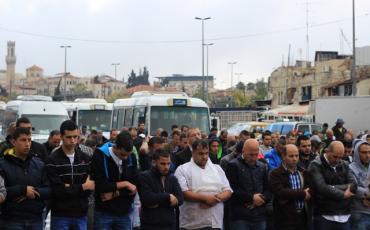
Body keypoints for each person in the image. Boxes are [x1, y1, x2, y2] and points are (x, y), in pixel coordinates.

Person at [46, 120, 94, 230]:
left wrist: (69, 187)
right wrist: (82, 186)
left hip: (81, 213)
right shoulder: (52, 160)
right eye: (68, 137)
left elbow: (90, 186)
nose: (72, 140)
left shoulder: (85, 158)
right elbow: (58, 190)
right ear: (62, 137)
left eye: (75, 137)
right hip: (60, 214)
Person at [0, 127, 51, 229]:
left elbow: (49, 190)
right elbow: (2, 192)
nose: (27, 144)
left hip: (35, 219)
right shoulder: (3, 165)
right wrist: (22, 190)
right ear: (14, 142)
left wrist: (33, 192)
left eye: (29, 140)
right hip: (12, 220)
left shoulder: (39, 164)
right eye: (23, 140)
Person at [175, 139, 232, 230]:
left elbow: (228, 191)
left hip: (215, 222)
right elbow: (183, 193)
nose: (204, 157)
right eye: (201, 153)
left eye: (206, 153)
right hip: (192, 224)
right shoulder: (182, 169)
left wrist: (214, 199)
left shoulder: (217, 169)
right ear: (193, 153)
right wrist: (206, 199)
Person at [91, 131, 138, 229]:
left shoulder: (131, 157)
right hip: (104, 212)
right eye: (122, 154)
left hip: (125, 212)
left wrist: (115, 193)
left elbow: (134, 187)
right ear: (115, 147)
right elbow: (100, 186)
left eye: (127, 155)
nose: (125, 158)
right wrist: (125, 184)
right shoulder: (99, 156)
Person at [308, 141, 357, 230]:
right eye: (335, 156)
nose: (338, 160)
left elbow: (354, 185)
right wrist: (343, 194)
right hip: (325, 215)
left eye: (340, 157)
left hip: (344, 215)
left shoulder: (344, 164)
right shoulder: (316, 165)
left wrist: (333, 187)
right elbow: (321, 188)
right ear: (327, 151)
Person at [226, 139, 271, 230]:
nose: (254, 158)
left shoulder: (262, 166)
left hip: (259, 215)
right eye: (251, 154)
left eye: (256, 154)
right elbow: (231, 190)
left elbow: (268, 190)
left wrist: (261, 199)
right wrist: (252, 198)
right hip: (240, 216)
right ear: (243, 151)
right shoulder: (233, 165)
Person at [269, 144, 313, 230]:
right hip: (285, 218)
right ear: (283, 156)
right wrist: (303, 193)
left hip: (303, 216)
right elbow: (281, 192)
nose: (295, 159)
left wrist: (308, 192)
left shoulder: (303, 172)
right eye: (291, 156)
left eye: (296, 156)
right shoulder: (275, 173)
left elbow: (311, 188)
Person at [137, 149, 183, 230]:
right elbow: (147, 199)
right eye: (162, 164)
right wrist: (168, 196)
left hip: (170, 224)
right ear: (154, 162)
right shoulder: (144, 177)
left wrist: (157, 202)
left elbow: (180, 199)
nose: (166, 167)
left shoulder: (172, 178)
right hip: (150, 225)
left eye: (168, 164)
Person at [349, 140, 370, 230]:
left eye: (369, 152)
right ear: (357, 153)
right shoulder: (350, 168)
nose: (368, 155)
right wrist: (367, 193)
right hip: (359, 213)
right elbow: (354, 188)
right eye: (364, 152)